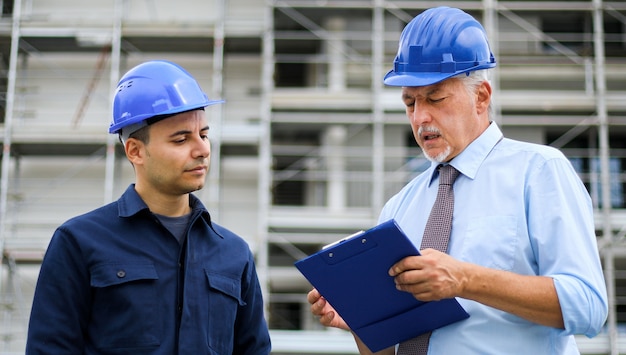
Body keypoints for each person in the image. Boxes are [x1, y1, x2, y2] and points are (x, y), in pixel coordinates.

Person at [308, 6, 608, 354]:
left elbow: (587, 306)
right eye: (409, 102)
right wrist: (362, 321)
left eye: (435, 98)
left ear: (481, 97)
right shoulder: (399, 207)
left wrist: (465, 279)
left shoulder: (539, 171)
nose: (420, 117)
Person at [26, 60, 271, 354]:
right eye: (181, 139)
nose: (202, 149)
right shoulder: (78, 242)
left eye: (204, 135)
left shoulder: (234, 254)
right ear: (136, 151)